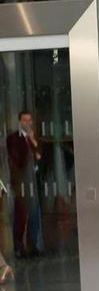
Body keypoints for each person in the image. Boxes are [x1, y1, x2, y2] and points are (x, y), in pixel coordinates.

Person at [7, 110, 43, 258]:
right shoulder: (13, 138)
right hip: (21, 180)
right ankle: (19, 246)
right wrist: (26, 141)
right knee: (21, 212)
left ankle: (32, 244)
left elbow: (40, 156)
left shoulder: (34, 138)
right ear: (20, 122)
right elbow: (18, 160)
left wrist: (33, 142)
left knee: (34, 211)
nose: (27, 123)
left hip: (33, 179)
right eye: (24, 120)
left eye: (29, 120)